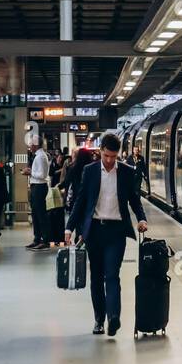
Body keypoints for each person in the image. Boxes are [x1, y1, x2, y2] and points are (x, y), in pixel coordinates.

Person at [66, 133, 148, 338]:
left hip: (116, 232)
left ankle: (113, 318)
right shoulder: (90, 171)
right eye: (106, 156)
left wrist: (141, 218)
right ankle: (99, 319)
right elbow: (81, 201)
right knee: (96, 277)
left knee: (112, 275)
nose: (110, 160)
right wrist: (69, 227)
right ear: (100, 151)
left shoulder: (127, 172)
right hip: (94, 231)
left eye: (113, 156)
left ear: (118, 154)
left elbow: (134, 199)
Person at [22, 138, 51, 251]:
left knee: (40, 214)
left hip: (39, 187)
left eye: (31, 144)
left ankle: (45, 240)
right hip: (36, 186)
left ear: (36, 145)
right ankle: (37, 238)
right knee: (35, 214)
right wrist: (31, 172)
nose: (29, 146)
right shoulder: (39, 156)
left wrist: (30, 172)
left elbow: (43, 175)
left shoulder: (41, 157)